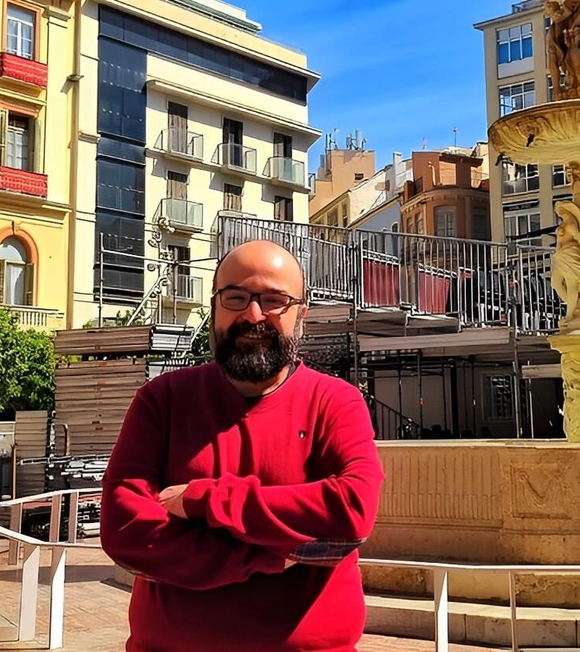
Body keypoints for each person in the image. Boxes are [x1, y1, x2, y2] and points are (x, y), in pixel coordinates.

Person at [101, 240, 384, 652]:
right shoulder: (161, 400)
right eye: (235, 297)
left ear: (301, 316)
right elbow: (125, 530)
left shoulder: (336, 402)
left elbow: (351, 509)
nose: (253, 315)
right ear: (214, 307)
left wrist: (201, 501)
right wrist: (270, 555)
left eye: (274, 300)